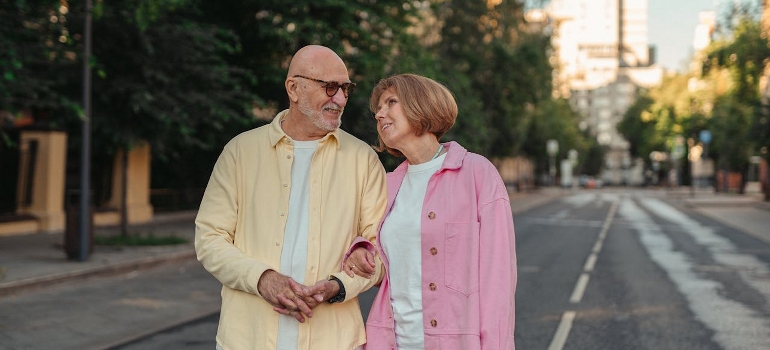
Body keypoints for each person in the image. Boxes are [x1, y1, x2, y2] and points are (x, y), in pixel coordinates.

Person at [195, 45, 386, 350]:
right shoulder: (240, 152)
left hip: (334, 341)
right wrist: (262, 278)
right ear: (294, 89)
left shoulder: (363, 159)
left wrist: (337, 286)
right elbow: (209, 238)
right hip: (247, 339)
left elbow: (382, 251)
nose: (340, 99)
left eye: (345, 89)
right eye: (330, 87)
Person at [344, 73, 517, 349]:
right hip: (392, 341)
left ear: (421, 105)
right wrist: (360, 250)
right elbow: (376, 254)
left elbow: (498, 281)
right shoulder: (386, 186)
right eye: (378, 107)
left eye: (390, 102)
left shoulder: (477, 174)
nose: (379, 114)